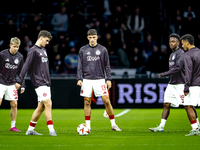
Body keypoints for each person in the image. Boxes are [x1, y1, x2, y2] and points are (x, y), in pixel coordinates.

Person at [77, 29, 121, 131]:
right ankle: (88, 126)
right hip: (87, 79)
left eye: (94, 37)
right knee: (87, 102)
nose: (92, 39)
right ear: (87, 38)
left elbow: (107, 66)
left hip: (100, 79)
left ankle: (113, 124)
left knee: (106, 101)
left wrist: (108, 79)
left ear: (97, 37)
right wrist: (79, 78)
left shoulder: (102, 49)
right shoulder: (83, 50)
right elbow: (80, 66)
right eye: (90, 37)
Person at [15, 30, 57, 136]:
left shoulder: (43, 50)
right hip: (39, 82)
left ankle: (30, 130)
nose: (47, 43)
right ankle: (51, 130)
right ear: (41, 38)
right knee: (48, 103)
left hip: (46, 82)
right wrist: (20, 81)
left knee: (41, 107)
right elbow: (26, 67)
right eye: (46, 40)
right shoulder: (33, 51)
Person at [149, 33, 186, 132]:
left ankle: (197, 126)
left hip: (180, 84)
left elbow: (178, 68)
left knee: (188, 106)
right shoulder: (172, 54)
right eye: (170, 41)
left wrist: (164, 74)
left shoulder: (181, 53)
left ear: (178, 42)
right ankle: (161, 127)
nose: (171, 43)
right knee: (166, 104)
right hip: (172, 84)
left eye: (173, 41)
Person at [0, 37, 25, 132]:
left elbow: (21, 72)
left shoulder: (20, 57)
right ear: (10, 45)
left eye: (18, 47)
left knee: (14, 104)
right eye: (14, 46)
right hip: (1, 81)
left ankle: (13, 126)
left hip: (12, 83)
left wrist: (22, 85)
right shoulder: (2, 54)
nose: (16, 48)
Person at [181, 34, 200, 136]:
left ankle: (195, 129)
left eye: (182, 43)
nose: (182, 45)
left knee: (188, 105)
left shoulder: (188, 54)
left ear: (187, 43)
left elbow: (188, 72)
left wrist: (186, 87)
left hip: (194, 85)